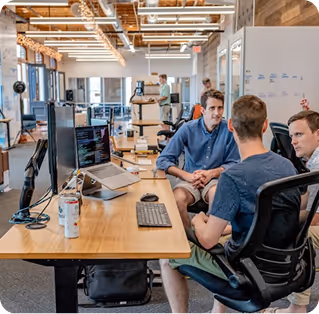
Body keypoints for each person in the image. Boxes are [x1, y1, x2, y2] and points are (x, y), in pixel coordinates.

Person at [160, 95, 301, 314]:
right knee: (227, 235)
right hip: (285, 264)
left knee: (167, 258)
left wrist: (198, 220)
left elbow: (207, 241)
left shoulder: (233, 178)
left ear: (230, 126)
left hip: (246, 269)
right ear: (265, 126)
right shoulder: (287, 166)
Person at [156, 90, 240, 228]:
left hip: (215, 180)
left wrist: (211, 173)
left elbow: (235, 163)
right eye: (212, 108)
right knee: (177, 200)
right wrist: (187, 176)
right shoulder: (188, 129)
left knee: (217, 197)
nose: (217, 113)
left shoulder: (229, 130)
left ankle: (210, 240)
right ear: (203, 110)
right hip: (189, 179)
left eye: (220, 108)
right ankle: (190, 240)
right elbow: (163, 160)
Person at [265, 110, 319, 314]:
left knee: (301, 237)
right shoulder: (312, 161)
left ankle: (297, 308)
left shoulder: (317, 165)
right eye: (291, 136)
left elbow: (314, 219)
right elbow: (306, 204)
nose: (293, 142)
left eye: (299, 135)